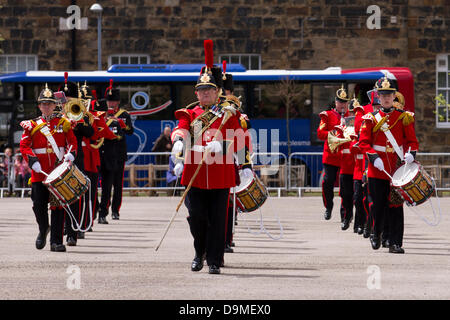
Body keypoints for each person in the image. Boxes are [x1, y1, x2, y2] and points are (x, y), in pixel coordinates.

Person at [170, 40, 246, 274]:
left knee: (218, 220)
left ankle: (214, 260)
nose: (204, 94)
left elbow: (240, 140)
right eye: (201, 91)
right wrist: (178, 142)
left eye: (209, 91)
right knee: (197, 218)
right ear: (197, 93)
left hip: (220, 174)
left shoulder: (228, 114)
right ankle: (198, 252)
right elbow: (180, 128)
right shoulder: (189, 113)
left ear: (216, 92)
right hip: (195, 173)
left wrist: (221, 145)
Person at [359, 76, 419, 254]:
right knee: (378, 206)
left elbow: (412, 141)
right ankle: (376, 234)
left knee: (395, 206)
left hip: (396, 168)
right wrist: (373, 157)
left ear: (394, 96)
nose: (386, 98)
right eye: (383, 94)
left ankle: (395, 242)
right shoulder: (370, 118)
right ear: (377, 96)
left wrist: (410, 154)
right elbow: (363, 143)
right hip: (377, 169)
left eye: (389, 94)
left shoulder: (404, 118)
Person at [19, 84, 77, 252]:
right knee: (38, 205)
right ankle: (43, 228)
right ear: (39, 106)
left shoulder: (64, 123)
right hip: (39, 172)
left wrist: (70, 155)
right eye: (43, 104)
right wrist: (33, 161)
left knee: (58, 207)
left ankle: (56, 241)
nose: (46, 106)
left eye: (49, 104)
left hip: (57, 171)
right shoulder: (31, 125)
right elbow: (24, 146)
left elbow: (72, 142)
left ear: (54, 105)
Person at [61, 80, 95, 246]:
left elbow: (91, 132)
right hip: (59, 157)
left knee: (74, 195)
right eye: (64, 98)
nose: (67, 101)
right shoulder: (55, 114)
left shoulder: (83, 113)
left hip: (76, 157)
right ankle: (62, 229)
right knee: (59, 196)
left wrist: (77, 125)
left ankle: (73, 231)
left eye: (70, 98)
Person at [98, 84, 134, 223]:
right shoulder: (102, 114)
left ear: (118, 102)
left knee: (117, 184)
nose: (111, 103)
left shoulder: (124, 115)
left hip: (118, 153)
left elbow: (131, 131)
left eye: (113, 101)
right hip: (104, 152)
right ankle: (102, 210)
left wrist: (123, 126)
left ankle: (115, 211)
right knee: (105, 185)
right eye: (109, 101)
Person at [317, 85, 350, 220]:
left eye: (344, 102)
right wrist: (333, 134)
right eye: (340, 102)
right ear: (335, 102)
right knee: (327, 182)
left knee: (345, 186)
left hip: (345, 156)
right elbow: (320, 133)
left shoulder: (352, 116)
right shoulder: (328, 115)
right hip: (331, 155)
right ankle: (328, 206)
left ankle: (345, 213)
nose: (342, 105)